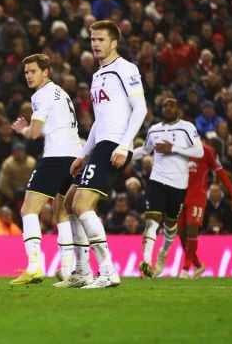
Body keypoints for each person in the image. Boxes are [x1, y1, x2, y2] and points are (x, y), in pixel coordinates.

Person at [60, 20, 147, 289]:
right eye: (92, 40)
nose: (96, 44)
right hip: (101, 145)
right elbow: (99, 120)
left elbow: (140, 109)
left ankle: (108, 270)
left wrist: (123, 145)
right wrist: (83, 154)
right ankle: (83, 271)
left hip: (115, 146)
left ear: (114, 43)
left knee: (82, 205)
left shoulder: (125, 68)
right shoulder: (98, 75)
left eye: (100, 40)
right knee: (70, 202)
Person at [9, 54, 81, 284]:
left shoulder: (41, 94)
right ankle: (68, 271)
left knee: (28, 210)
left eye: (33, 71)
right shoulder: (61, 92)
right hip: (73, 156)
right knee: (61, 213)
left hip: (56, 157)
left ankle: (33, 267)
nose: (29, 76)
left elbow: (34, 132)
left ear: (46, 72)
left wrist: (22, 128)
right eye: (26, 72)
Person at [133, 97, 203, 278]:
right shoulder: (154, 130)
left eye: (172, 105)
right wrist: (125, 155)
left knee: (171, 225)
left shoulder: (187, 127)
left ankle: (163, 253)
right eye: (165, 105)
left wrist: (174, 148)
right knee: (151, 221)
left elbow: (199, 151)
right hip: (157, 180)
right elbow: (145, 151)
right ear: (161, 109)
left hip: (178, 185)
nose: (168, 108)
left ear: (178, 109)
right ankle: (147, 262)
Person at [177, 140, 232, 278]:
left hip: (197, 198)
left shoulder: (206, 151)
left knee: (192, 231)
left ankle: (185, 270)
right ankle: (198, 266)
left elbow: (221, 173)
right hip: (180, 199)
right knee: (182, 236)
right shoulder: (177, 151)